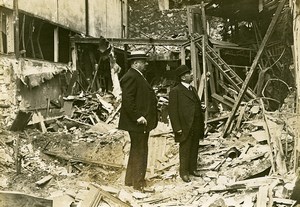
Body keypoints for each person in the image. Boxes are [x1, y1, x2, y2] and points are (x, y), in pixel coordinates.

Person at [118, 50, 158, 191]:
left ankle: (130, 180)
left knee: (136, 149)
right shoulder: (131, 76)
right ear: (135, 63)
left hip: (138, 122)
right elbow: (128, 100)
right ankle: (138, 183)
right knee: (140, 150)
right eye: (143, 62)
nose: (146, 64)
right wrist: (137, 116)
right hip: (137, 122)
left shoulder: (137, 75)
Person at [168, 65, 205, 183]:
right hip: (184, 125)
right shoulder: (176, 91)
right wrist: (177, 128)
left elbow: (194, 104)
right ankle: (183, 172)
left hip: (195, 123)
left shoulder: (192, 89)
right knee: (185, 148)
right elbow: (172, 111)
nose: (192, 75)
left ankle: (192, 169)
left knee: (194, 147)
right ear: (183, 77)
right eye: (189, 73)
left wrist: (200, 107)